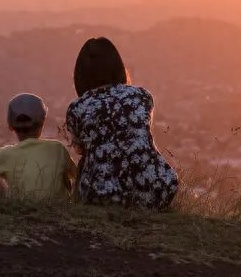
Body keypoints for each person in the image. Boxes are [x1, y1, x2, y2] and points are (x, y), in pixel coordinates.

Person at [65, 37, 179, 208]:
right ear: (118, 67)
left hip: (102, 197)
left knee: (87, 158)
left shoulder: (77, 108)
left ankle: (78, 208)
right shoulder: (141, 96)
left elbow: (80, 148)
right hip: (157, 189)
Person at [0, 92, 77, 200]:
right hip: (59, 212)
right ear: (42, 122)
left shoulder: (5, 154)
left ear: (11, 126)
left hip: (20, 211)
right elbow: (77, 176)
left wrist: (5, 192)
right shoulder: (58, 148)